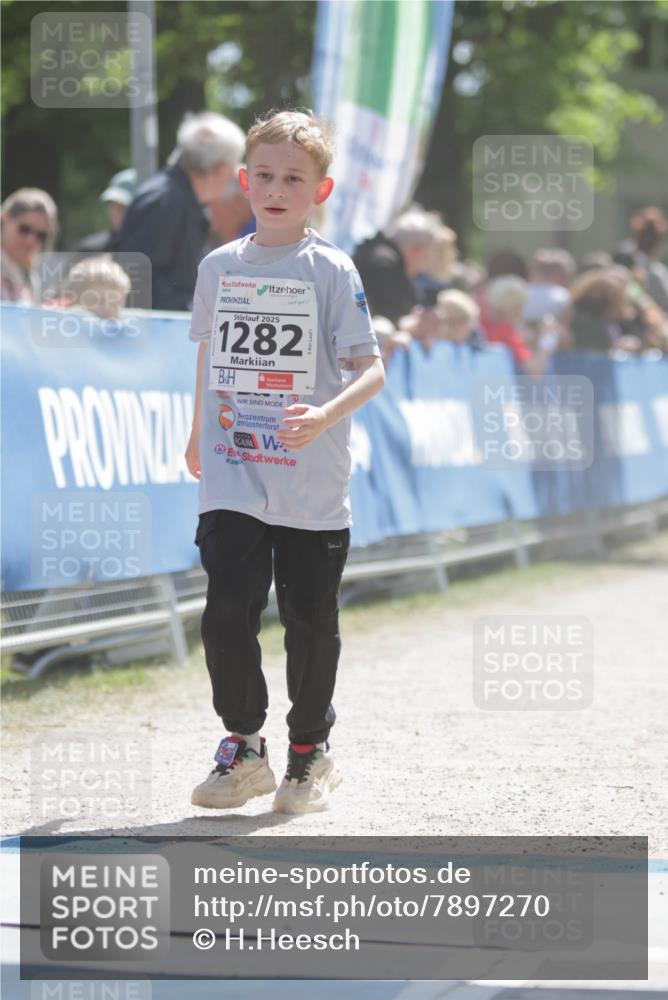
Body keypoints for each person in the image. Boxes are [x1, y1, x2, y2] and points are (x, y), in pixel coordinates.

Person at [185, 109, 385, 814]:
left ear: (319, 191)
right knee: (227, 609)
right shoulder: (219, 266)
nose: (275, 188)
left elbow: (372, 370)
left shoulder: (331, 268)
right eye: (264, 175)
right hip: (234, 466)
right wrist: (194, 434)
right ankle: (243, 746)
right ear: (243, 181)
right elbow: (210, 354)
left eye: (292, 179)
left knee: (308, 617)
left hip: (311, 478)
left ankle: (309, 753)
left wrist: (325, 415)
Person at [115, 111, 245, 310]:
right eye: (235, 166)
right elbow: (137, 278)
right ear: (220, 169)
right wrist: (190, 309)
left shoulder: (173, 198)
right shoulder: (165, 201)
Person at [1, 187, 58, 304]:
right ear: (6, 218)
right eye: (25, 229)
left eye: (41, 235)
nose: (31, 240)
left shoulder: (31, 276)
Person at [75, 168, 137, 254]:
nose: (116, 210)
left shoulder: (155, 251)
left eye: (123, 205)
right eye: (112, 203)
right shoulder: (90, 249)